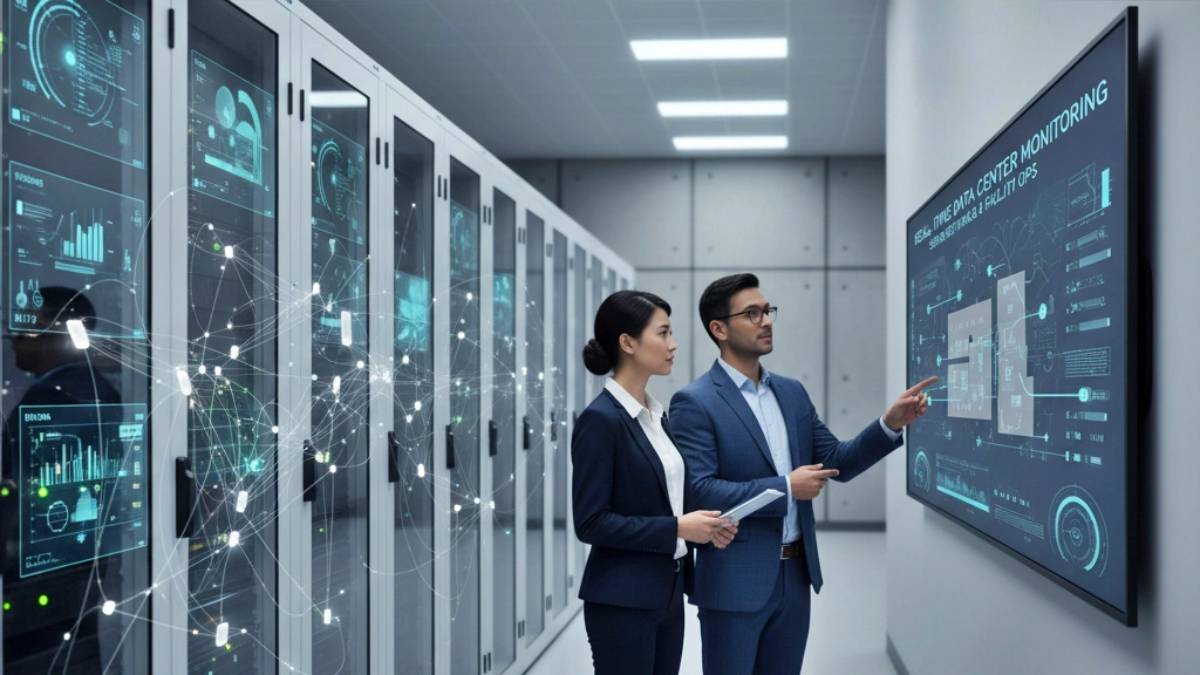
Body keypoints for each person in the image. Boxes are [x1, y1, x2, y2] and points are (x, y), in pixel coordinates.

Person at [669, 273, 938, 675]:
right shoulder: (695, 402)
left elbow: (837, 461)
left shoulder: (791, 393)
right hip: (733, 583)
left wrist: (890, 424)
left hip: (795, 578)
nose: (766, 321)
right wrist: (785, 488)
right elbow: (699, 491)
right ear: (719, 329)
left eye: (768, 311)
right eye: (752, 313)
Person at [572, 290, 736, 675]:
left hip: (668, 591)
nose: (673, 344)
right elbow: (591, 522)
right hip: (622, 601)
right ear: (628, 343)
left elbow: (664, 498)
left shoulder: (656, 416)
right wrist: (678, 528)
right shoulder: (601, 421)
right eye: (663, 333)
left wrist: (705, 527)